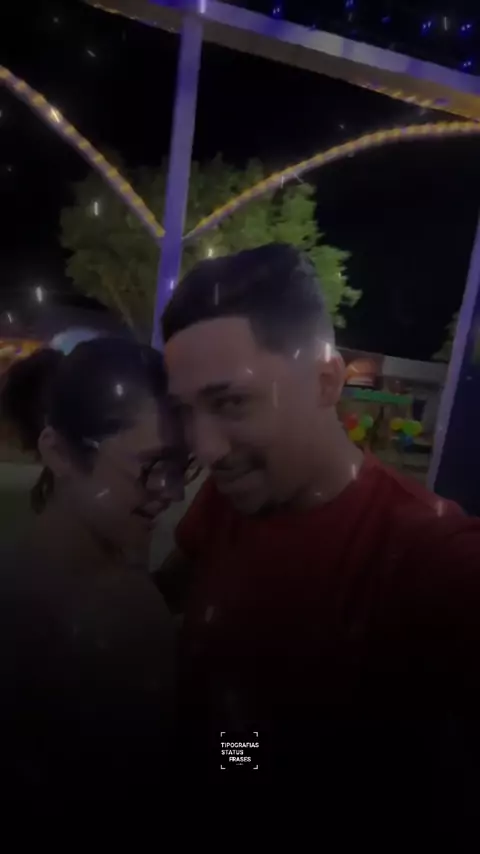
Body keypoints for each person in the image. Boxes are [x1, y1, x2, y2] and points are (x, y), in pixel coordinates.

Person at [158, 243, 480, 815]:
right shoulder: (229, 499)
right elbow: (163, 608)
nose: (204, 448)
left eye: (230, 402)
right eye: (185, 411)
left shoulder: (434, 555)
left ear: (326, 381)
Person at [0, 337, 186, 802]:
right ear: (58, 452)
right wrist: (257, 749)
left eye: (182, 465)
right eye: (152, 466)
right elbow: (180, 761)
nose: (173, 492)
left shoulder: (23, 567)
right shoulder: (119, 615)